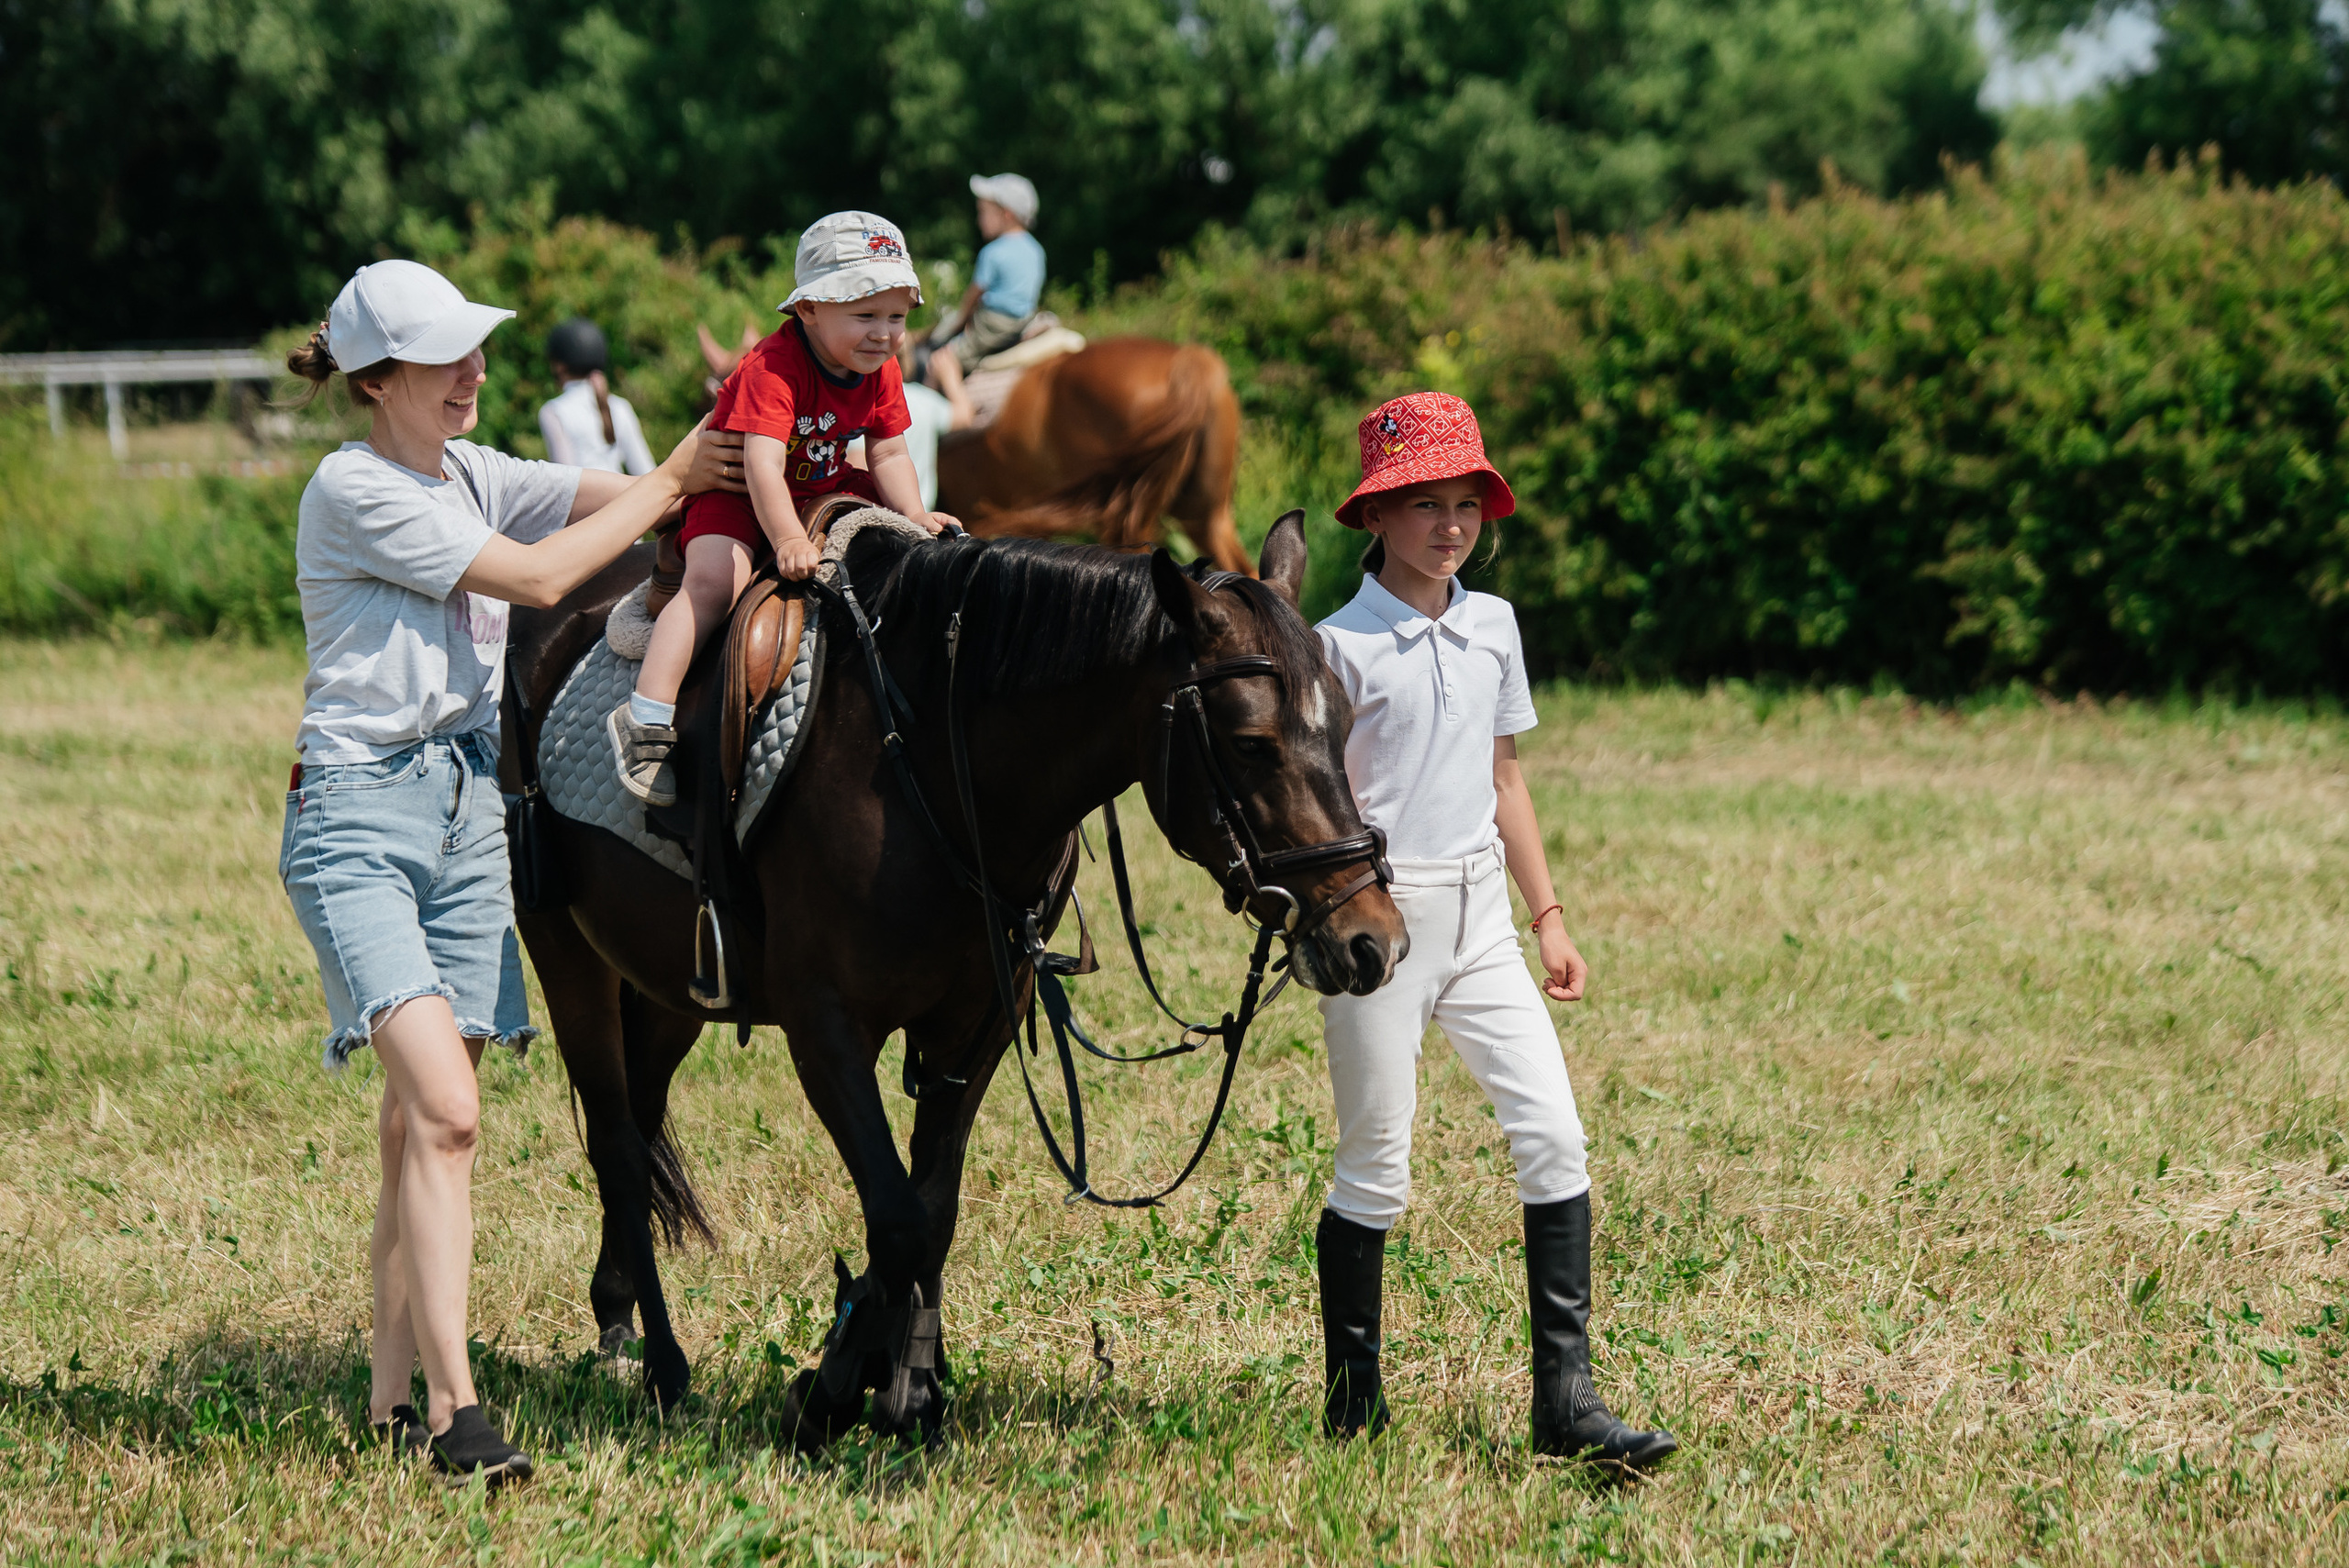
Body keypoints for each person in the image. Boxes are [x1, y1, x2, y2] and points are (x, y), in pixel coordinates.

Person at [280, 259, 743, 1483]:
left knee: (417, 1131)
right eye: (447, 357)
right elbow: (545, 577)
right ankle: (456, 1418)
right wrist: (671, 479)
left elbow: (619, 489)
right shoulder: (354, 487)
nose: (475, 371)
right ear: (378, 380)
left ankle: (387, 1396)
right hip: (360, 817)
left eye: (476, 348)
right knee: (448, 1113)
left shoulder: (473, 467)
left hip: (471, 808)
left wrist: (746, 417)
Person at [1310, 392, 1676, 1471]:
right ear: (1376, 516)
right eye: (1425, 504)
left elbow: (1503, 776)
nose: (1451, 526)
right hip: (1381, 928)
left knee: (1554, 1137)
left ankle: (1566, 1404)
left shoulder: (1493, 624)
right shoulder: (1336, 649)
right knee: (1377, 1164)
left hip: (1480, 923)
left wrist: (1547, 915)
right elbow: (1318, 804)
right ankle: (1352, 1403)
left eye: (1466, 503)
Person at [607, 211, 952, 808]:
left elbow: (889, 448)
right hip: (739, 488)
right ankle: (647, 717)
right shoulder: (773, 369)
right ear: (809, 309)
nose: (883, 333)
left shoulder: (883, 368)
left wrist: (914, 513)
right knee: (716, 582)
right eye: (865, 314)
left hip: (821, 479)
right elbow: (762, 465)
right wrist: (790, 538)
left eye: (897, 317)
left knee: (905, 547)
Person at [918, 173, 1045, 428]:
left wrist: (958, 322)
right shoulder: (1036, 249)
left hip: (993, 322)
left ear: (1007, 214)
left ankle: (930, 415)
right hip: (1024, 319)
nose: (979, 220)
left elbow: (973, 296)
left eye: (984, 212)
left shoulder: (993, 252)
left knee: (945, 357)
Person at [538, 317, 655, 474]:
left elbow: (565, 476)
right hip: (624, 496)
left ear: (559, 365)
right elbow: (645, 471)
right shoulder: (620, 406)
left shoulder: (553, 411)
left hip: (585, 497)